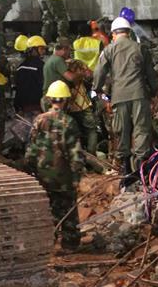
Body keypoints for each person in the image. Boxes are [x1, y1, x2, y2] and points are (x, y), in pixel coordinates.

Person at [93, 16, 158, 187]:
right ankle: (141, 172)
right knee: (141, 131)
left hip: (119, 97)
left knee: (121, 131)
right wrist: (154, 92)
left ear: (114, 33)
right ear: (128, 33)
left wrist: (98, 90)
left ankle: (125, 171)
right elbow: (151, 75)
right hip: (139, 95)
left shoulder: (109, 50)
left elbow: (99, 73)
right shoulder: (140, 48)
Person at [24, 80, 85, 252]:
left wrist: (31, 171)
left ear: (50, 99)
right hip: (64, 177)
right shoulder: (69, 122)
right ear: (66, 100)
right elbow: (76, 154)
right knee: (68, 211)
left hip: (43, 176)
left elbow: (31, 150)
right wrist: (76, 178)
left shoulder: (39, 120)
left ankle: (47, 244)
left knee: (47, 211)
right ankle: (70, 244)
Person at [62, 59, 97, 155]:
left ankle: (79, 156)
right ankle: (92, 155)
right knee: (91, 131)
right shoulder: (80, 73)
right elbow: (90, 75)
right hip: (84, 106)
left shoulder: (66, 73)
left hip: (71, 109)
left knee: (76, 133)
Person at [15, 35, 47, 122]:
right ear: (33, 49)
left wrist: (18, 107)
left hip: (24, 107)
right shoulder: (41, 66)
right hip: (37, 106)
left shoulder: (20, 67)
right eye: (41, 49)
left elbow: (18, 88)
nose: (44, 51)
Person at [42, 37, 72, 107]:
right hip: (54, 98)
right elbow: (70, 77)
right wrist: (81, 74)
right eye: (69, 51)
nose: (69, 54)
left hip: (48, 96)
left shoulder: (52, 59)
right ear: (64, 49)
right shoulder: (58, 60)